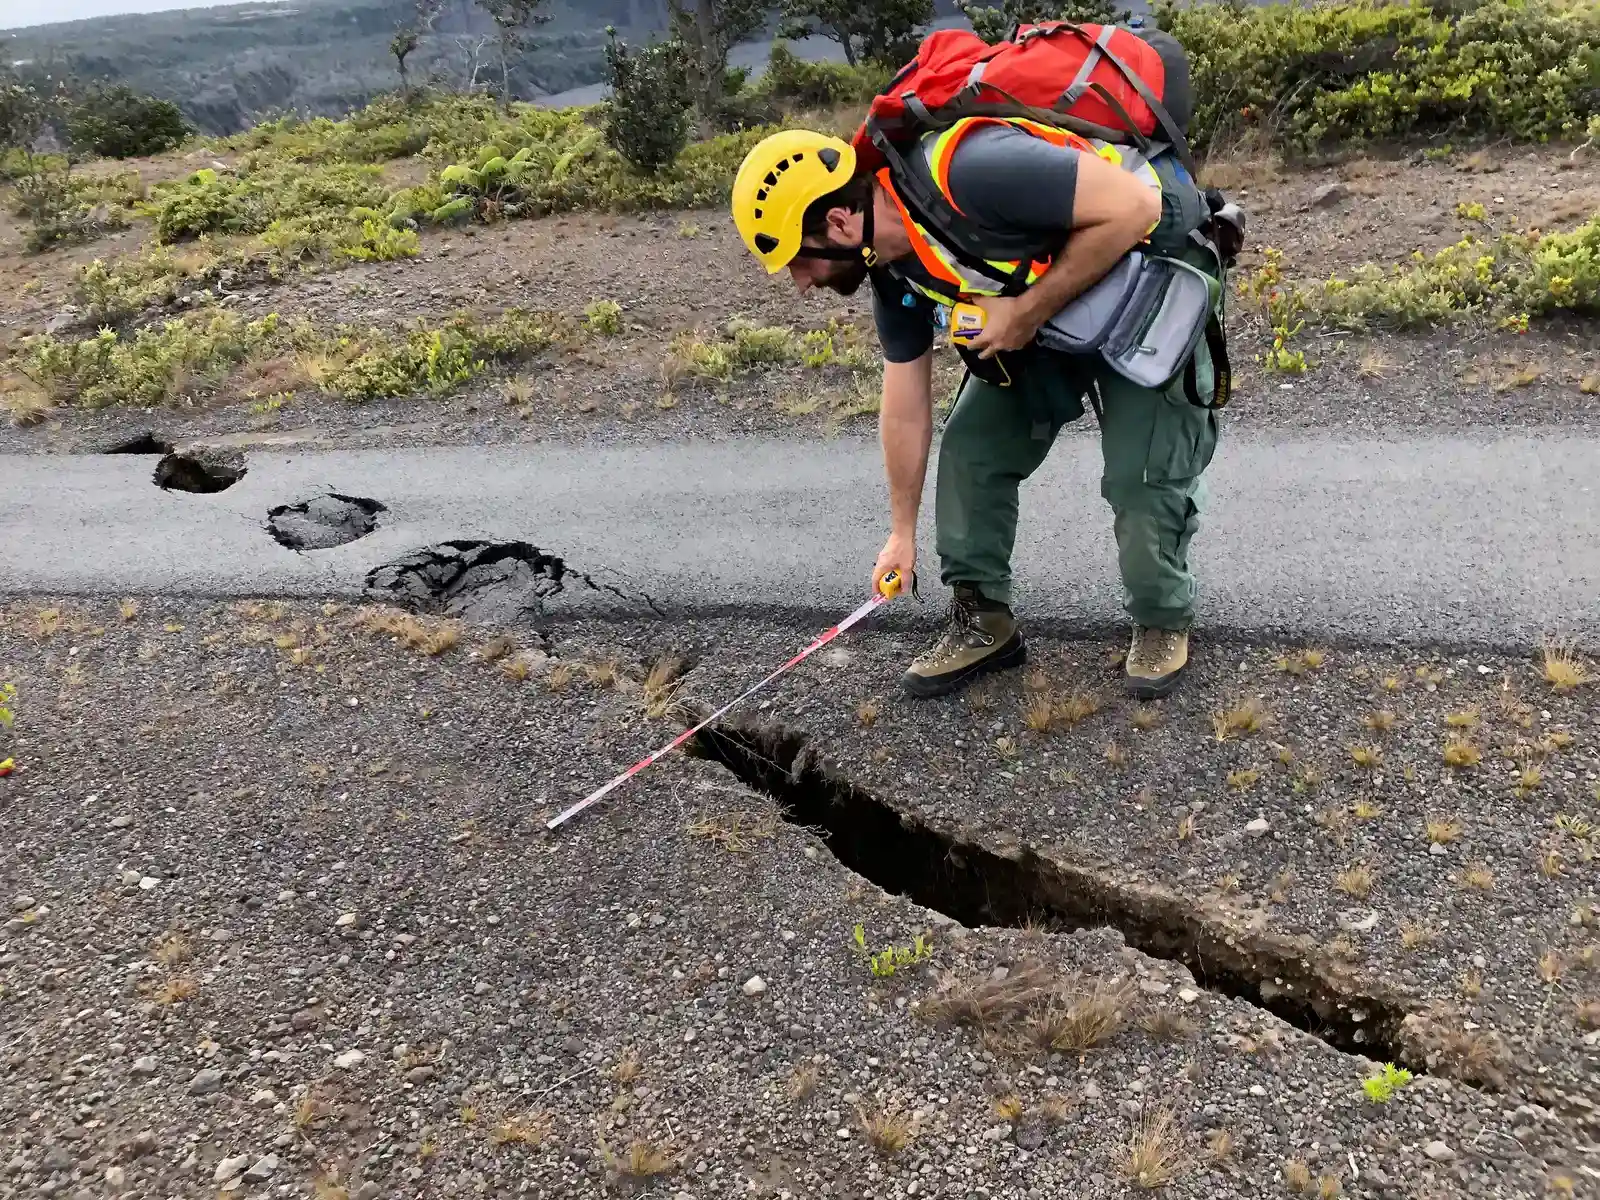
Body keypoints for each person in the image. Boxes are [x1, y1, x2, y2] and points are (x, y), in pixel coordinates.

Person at [730, 113, 1230, 702]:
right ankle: (983, 620)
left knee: (1139, 476)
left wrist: (1024, 313)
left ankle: (1161, 616)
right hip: (1045, 320)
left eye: (800, 260)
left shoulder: (972, 171)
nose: (801, 283)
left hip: (1144, 285)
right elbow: (905, 404)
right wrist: (901, 533)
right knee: (970, 450)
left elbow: (1135, 209)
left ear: (839, 221)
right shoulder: (890, 266)